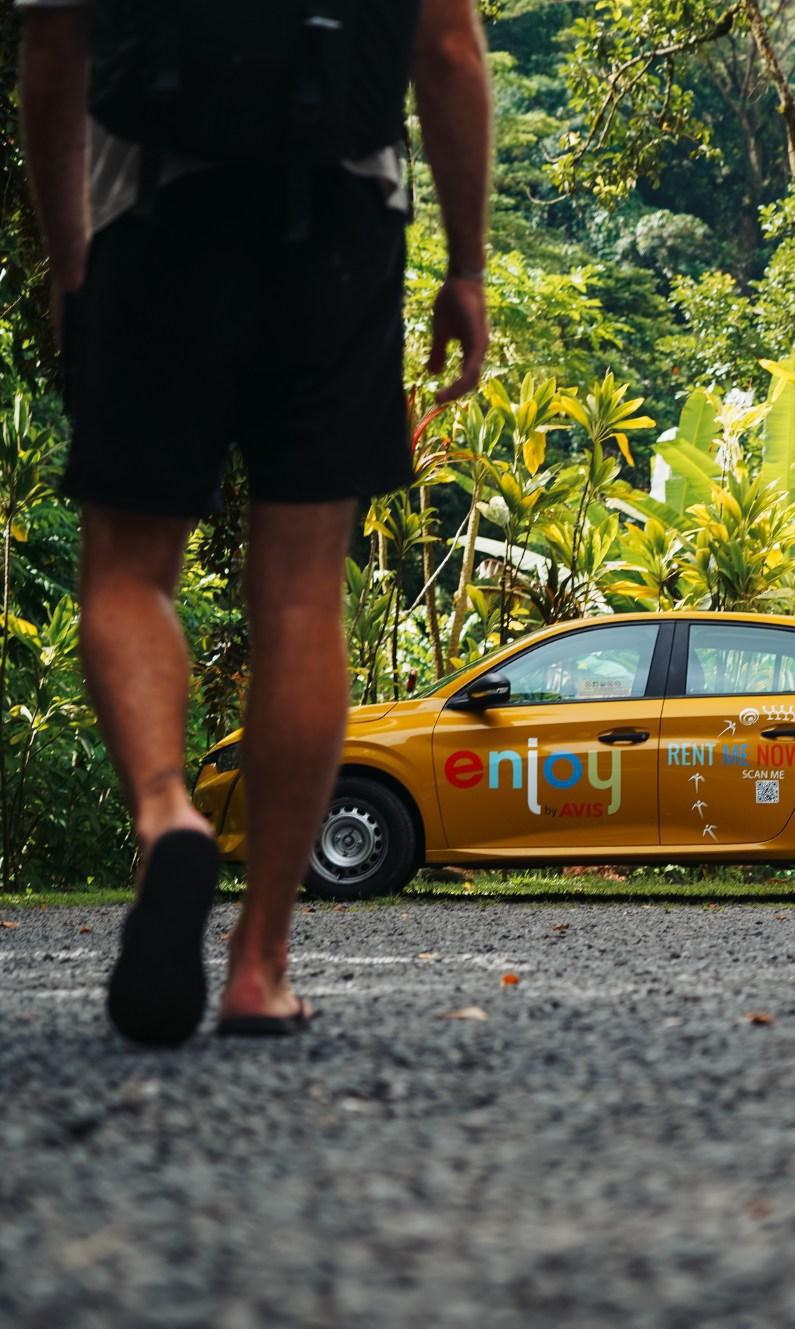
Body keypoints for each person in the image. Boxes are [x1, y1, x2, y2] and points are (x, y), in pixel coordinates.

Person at [18, 0, 491, 1045]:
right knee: (299, 589)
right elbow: (447, 48)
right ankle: (259, 966)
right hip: (342, 222)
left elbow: (53, 44)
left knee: (130, 570)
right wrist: (466, 270)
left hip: (151, 212)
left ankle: (165, 813)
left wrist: (69, 266)